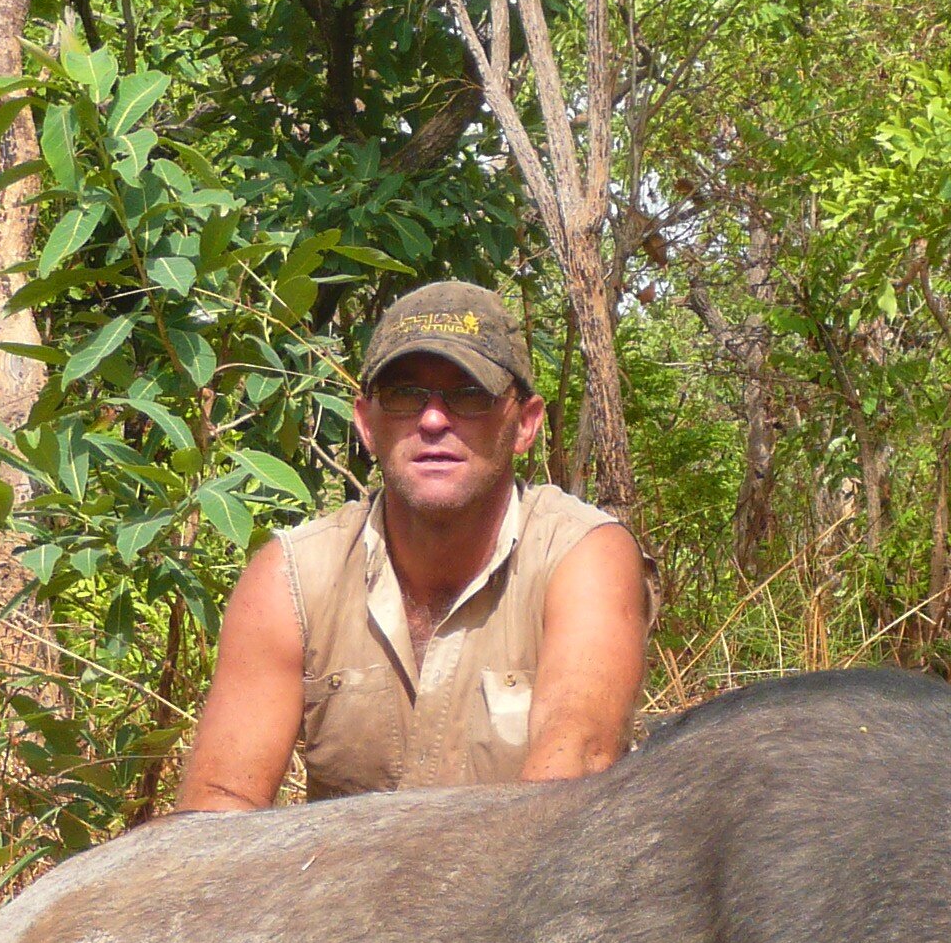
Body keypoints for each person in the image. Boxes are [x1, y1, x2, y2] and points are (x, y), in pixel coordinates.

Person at [173, 281, 649, 809]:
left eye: (470, 395)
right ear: (366, 424)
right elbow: (217, 809)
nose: (433, 420)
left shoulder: (584, 557)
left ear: (526, 423)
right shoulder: (290, 577)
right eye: (404, 396)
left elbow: (566, 784)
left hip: (524, 884)